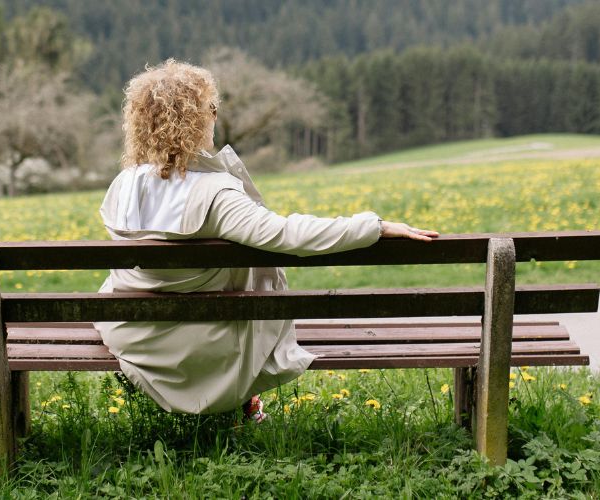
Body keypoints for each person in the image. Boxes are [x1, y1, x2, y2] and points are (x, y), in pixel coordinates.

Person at [95, 59, 438, 422]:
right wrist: (374, 226)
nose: (215, 116)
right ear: (195, 120)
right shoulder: (215, 193)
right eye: (211, 109)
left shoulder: (125, 185)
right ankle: (242, 404)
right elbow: (288, 235)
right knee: (254, 276)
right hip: (202, 341)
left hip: (135, 333)